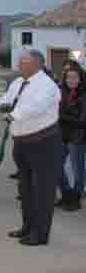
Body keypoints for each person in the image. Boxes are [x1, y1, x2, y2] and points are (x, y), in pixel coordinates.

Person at [0, 49, 63, 246]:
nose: (19, 64)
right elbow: (6, 99)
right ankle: (28, 226)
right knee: (25, 189)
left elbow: (36, 108)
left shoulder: (47, 86)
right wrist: (3, 107)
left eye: (24, 61)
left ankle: (41, 234)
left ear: (37, 64)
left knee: (43, 190)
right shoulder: (17, 83)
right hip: (22, 142)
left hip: (44, 143)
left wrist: (12, 114)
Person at [57, 66, 86, 211]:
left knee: (78, 172)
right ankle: (67, 194)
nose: (71, 80)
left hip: (78, 137)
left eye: (75, 77)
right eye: (69, 77)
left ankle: (76, 199)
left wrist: (61, 117)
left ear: (80, 79)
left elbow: (82, 120)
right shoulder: (62, 92)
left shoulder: (84, 95)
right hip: (63, 136)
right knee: (56, 165)